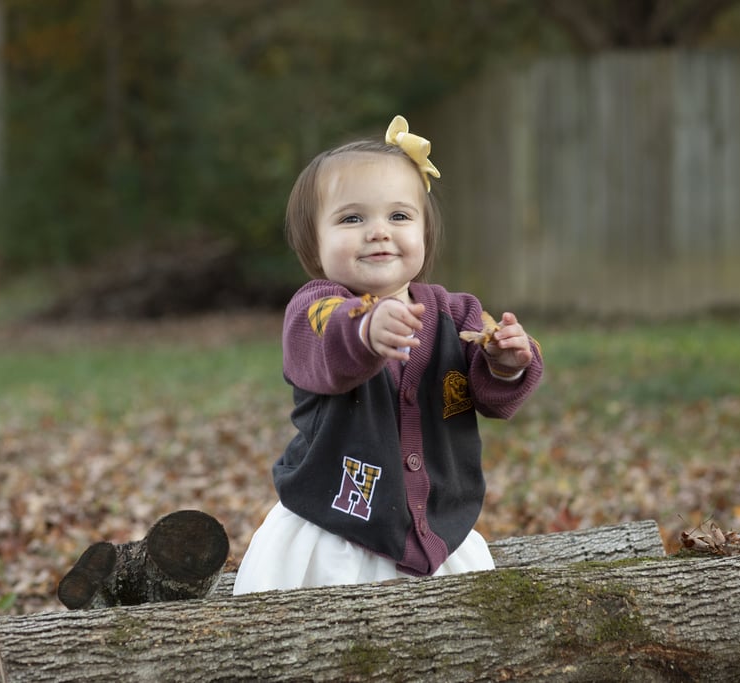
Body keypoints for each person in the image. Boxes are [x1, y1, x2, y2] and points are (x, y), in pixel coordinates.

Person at [232, 115, 544, 594]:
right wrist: (365, 328)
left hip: (440, 529)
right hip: (334, 528)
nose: (378, 231)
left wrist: (507, 361)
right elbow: (330, 343)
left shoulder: (457, 313)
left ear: (424, 233)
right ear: (313, 243)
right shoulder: (314, 310)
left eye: (399, 216)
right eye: (352, 218)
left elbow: (492, 393)